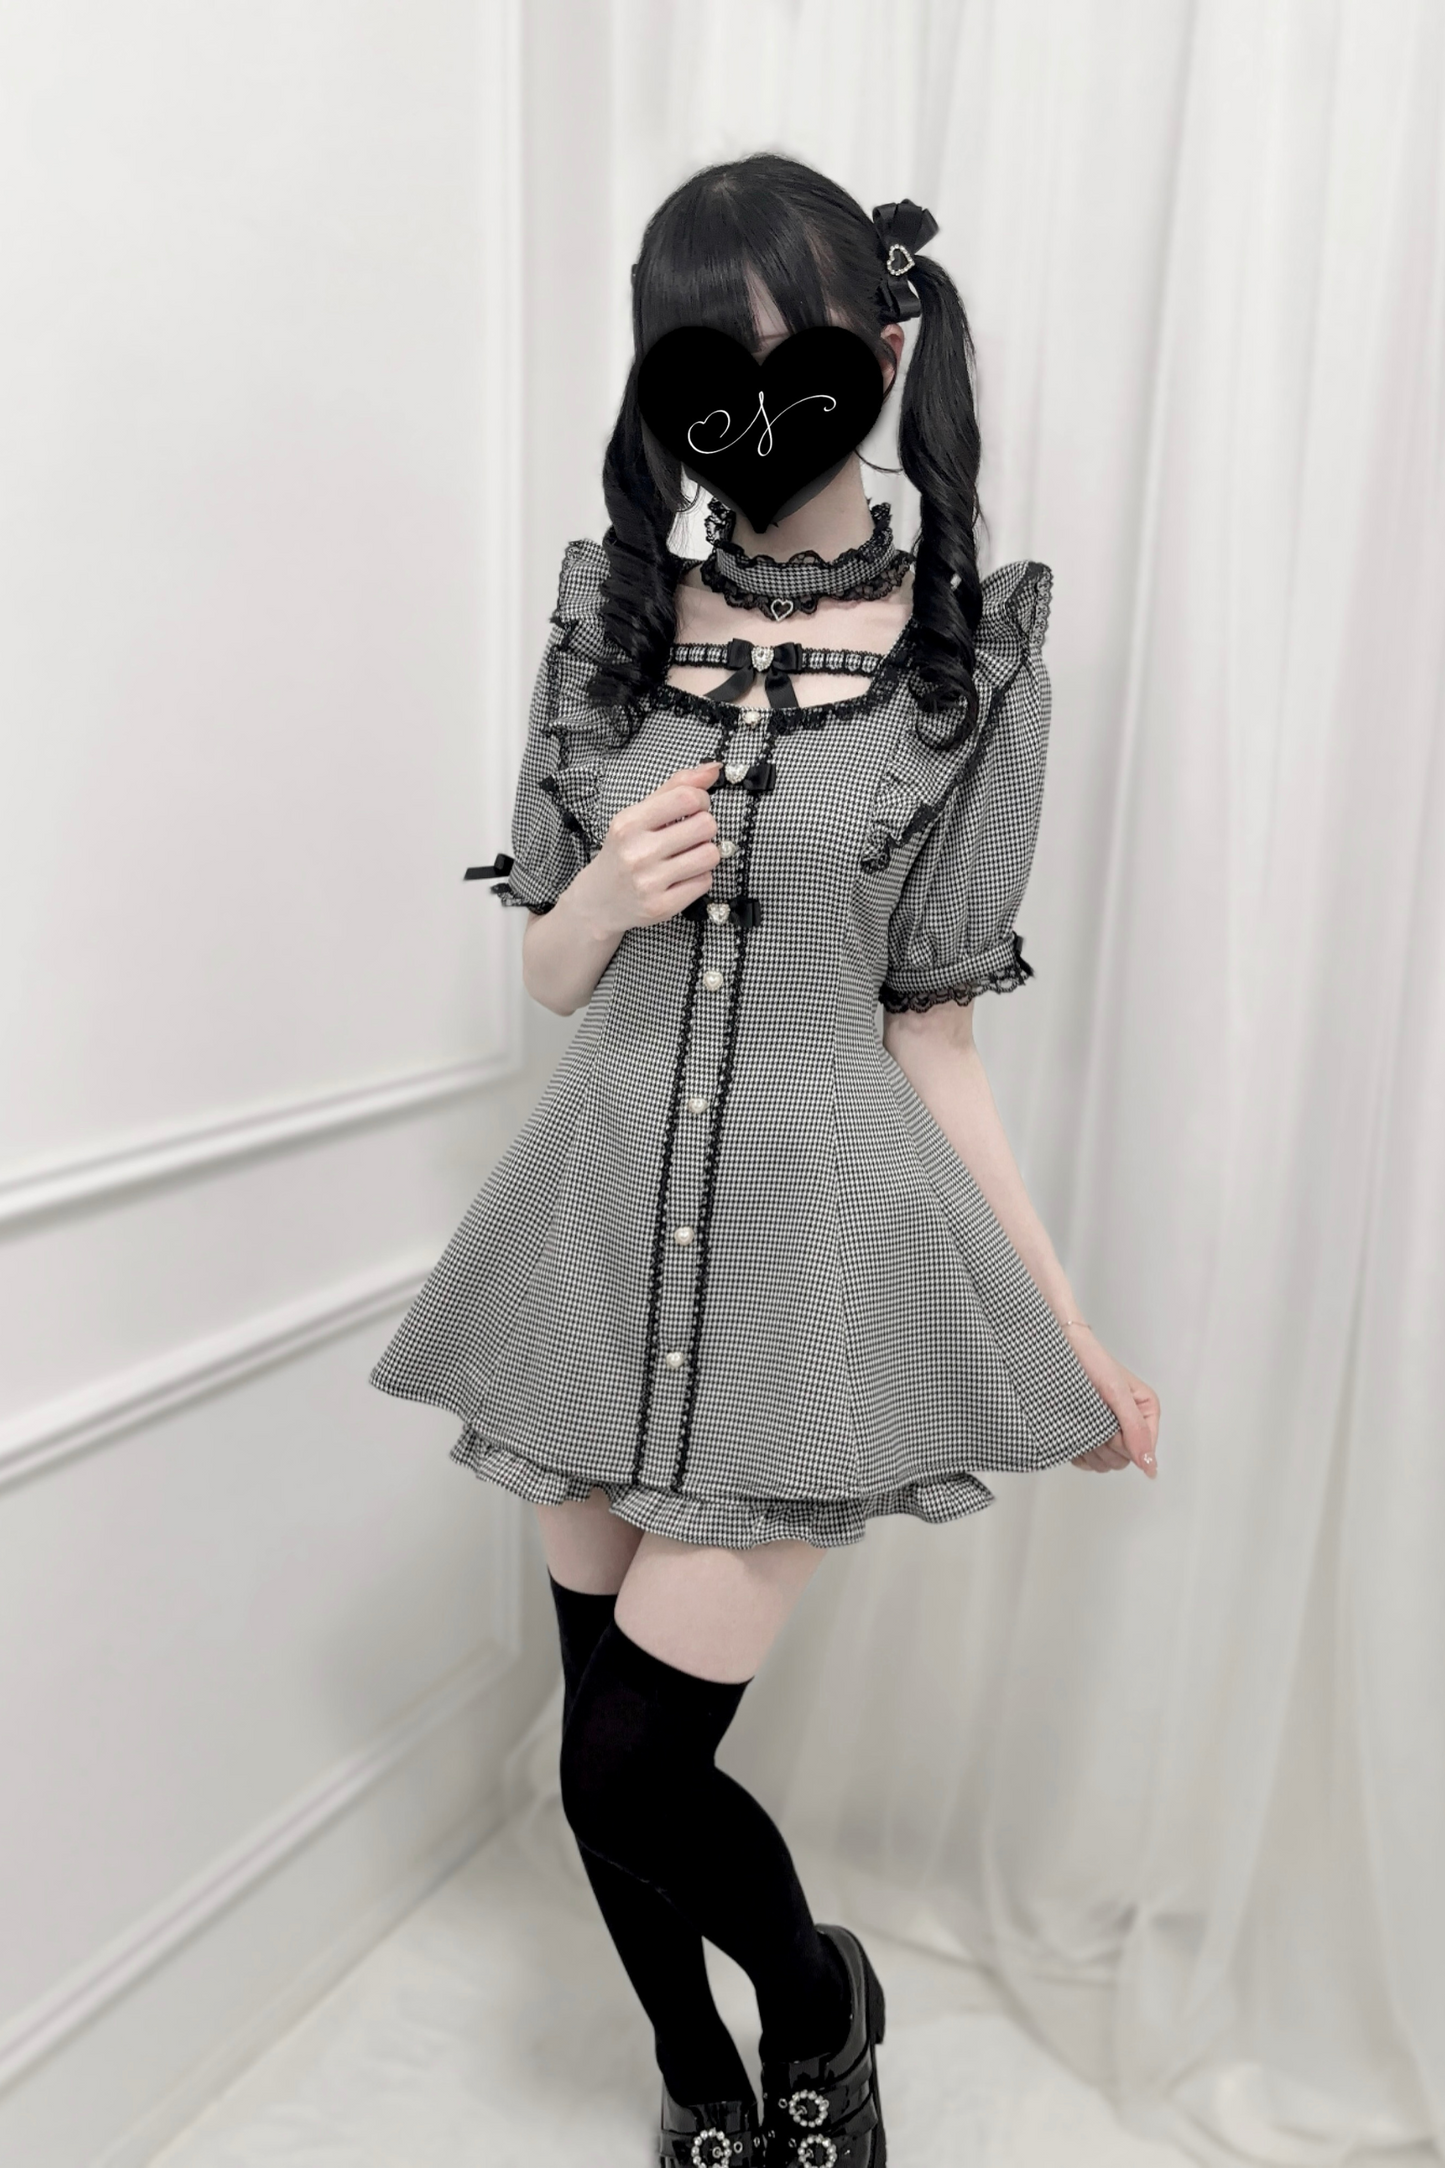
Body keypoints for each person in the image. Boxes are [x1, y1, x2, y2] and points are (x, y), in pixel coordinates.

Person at [372, 152, 1160, 2168]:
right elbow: (551, 971)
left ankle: (818, 2001)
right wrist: (606, 892)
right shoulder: (609, 622)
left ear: (878, 352)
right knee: (596, 1745)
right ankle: (700, 2077)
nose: (743, 403)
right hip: (587, 1240)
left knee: (634, 1761)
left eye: (780, 353)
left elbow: (934, 1034)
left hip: (811, 1266)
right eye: (691, 362)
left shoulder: (967, 668)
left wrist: (1062, 1328)